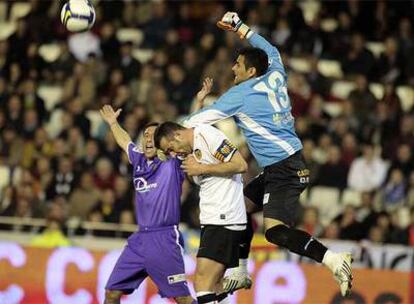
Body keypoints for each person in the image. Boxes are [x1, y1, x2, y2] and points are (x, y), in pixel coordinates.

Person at [184, 12, 353, 296]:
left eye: (237, 65)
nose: (233, 69)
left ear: (251, 71)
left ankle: (334, 260)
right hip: (282, 164)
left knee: (274, 232)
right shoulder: (275, 70)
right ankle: (239, 271)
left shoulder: (239, 96)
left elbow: (192, 125)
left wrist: (198, 103)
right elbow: (270, 49)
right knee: (240, 205)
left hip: (284, 168)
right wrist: (239, 27)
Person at [100, 105, 195, 304]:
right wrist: (113, 123)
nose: (148, 138)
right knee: (111, 293)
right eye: (145, 135)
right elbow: (124, 140)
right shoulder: (138, 160)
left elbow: (184, 132)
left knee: (183, 299)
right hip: (139, 239)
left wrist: (198, 103)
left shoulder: (172, 161)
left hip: (165, 238)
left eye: (153, 135)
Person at [154, 121, 248, 304]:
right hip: (216, 219)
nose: (173, 154)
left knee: (202, 284)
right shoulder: (189, 153)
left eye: (171, 148)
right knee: (215, 286)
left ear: (178, 135)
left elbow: (240, 164)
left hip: (224, 217)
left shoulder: (208, 135)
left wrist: (202, 168)